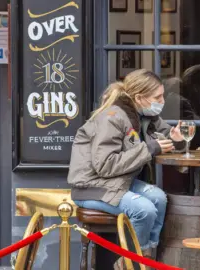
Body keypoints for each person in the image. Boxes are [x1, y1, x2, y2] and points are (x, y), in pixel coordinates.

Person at [67, 69, 185, 264]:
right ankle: (130, 263)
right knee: (144, 210)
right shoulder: (112, 117)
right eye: (158, 97)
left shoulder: (145, 116)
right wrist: (149, 149)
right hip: (92, 187)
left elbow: (168, 135)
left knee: (159, 198)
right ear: (139, 97)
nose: (162, 101)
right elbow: (104, 165)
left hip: (118, 182)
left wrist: (178, 141)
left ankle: (146, 257)